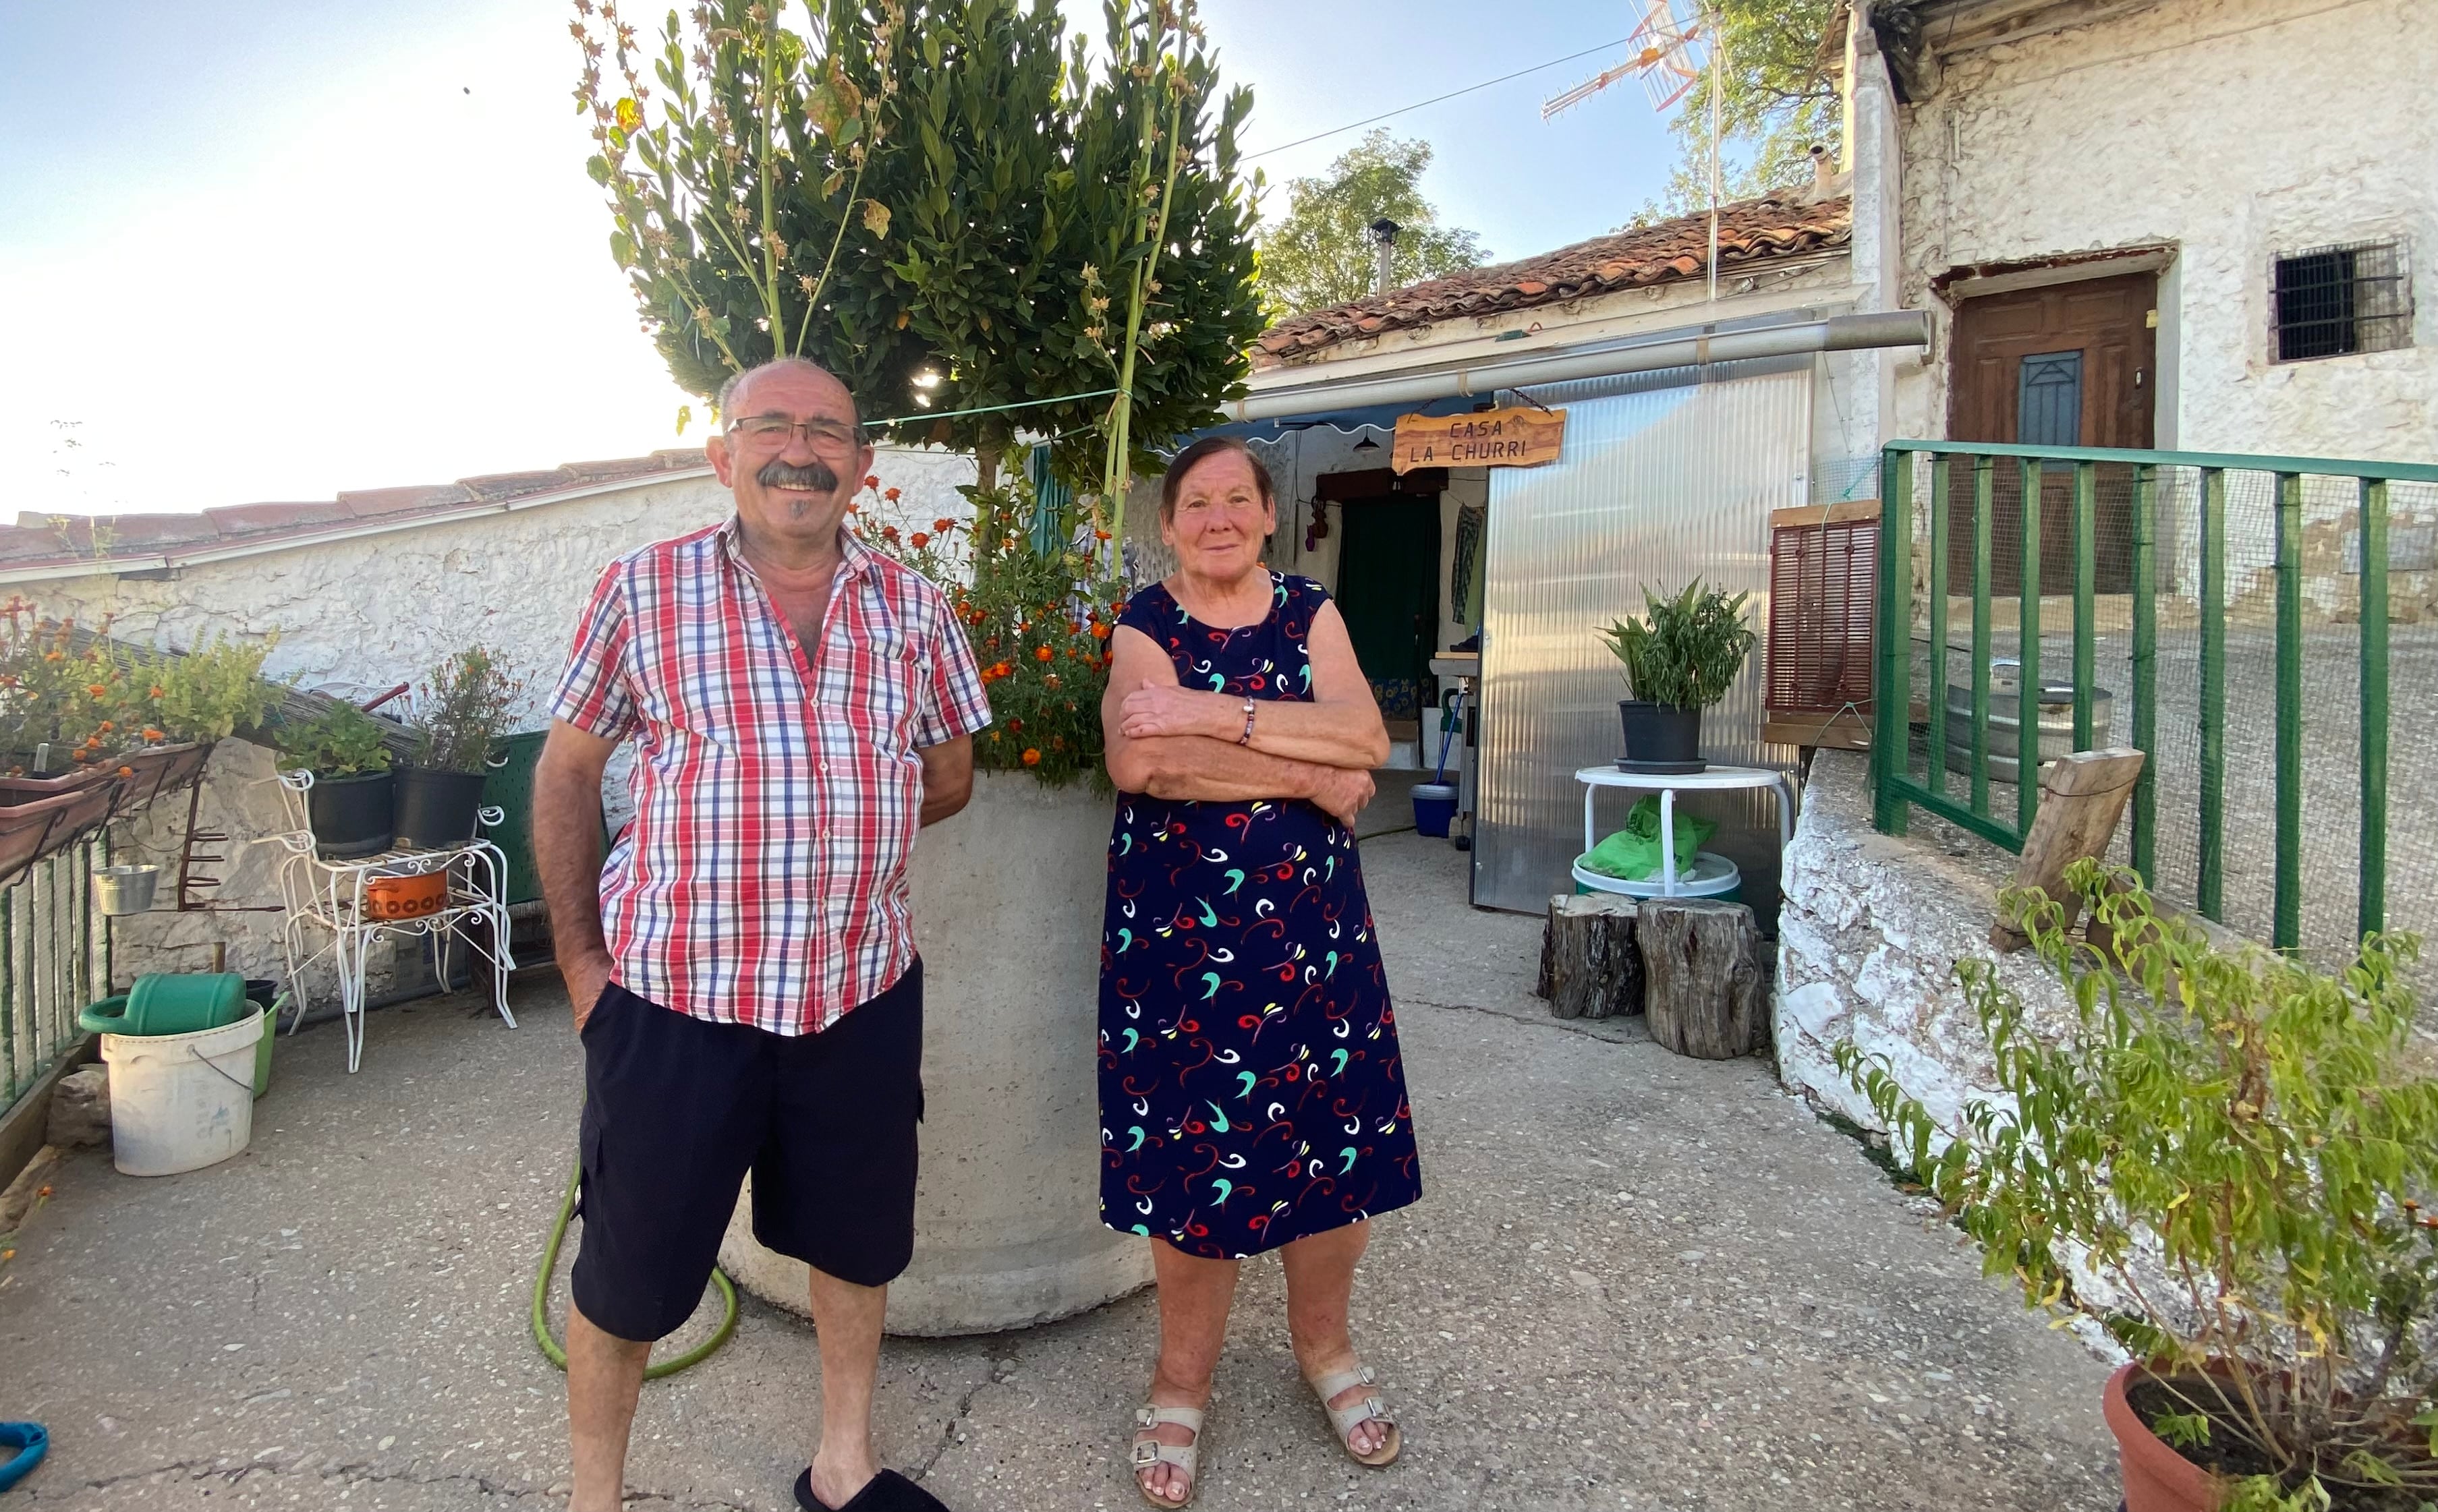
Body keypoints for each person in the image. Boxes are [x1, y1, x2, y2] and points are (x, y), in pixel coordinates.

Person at [532, 357, 990, 1512]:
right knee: (629, 1276)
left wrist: (847, 816)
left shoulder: (912, 605)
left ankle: (844, 1462)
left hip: (859, 991)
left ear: (862, 463)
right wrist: (584, 970)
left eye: (828, 429)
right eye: (771, 424)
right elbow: (568, 774)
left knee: (856, 1242)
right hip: (676, 1000)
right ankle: (596, 1499)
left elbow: (948, 771)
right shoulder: (641, 589)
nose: (801, 448)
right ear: (721, 452)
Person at [1098, 436, 1423, 1507]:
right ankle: (1180, 1379)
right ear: (1169, 525)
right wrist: (1304, 769)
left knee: (1335, 1152)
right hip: (1180, 950)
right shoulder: (1144, 623)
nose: (1218, 516)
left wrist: (1208, 710)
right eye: (1196, 502)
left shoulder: (1307, 610)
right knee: (1197, 1164)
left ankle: (1324, 1350)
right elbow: (1143, 761)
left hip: (1314, 940)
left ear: (1269, 515)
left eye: (1238, 497)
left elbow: (1365, 735)